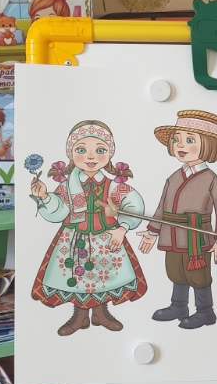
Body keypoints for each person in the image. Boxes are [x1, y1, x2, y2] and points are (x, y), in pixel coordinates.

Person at [31, 119, 146, 335]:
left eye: (100, 150)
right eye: (81, 150)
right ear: (71, 154)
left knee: (105, 276)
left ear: (110, 154)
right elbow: (59, 212)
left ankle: (101, 314)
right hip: (74, 238)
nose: (90, 157)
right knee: (77, 276)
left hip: (107, 237)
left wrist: (122, 228)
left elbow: (134, 206)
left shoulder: (114, 186)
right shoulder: (67, 186)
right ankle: (80, 317)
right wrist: (45, 196)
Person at [139, 110, 217, 330]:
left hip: (197, 237)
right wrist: (152, 231)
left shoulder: (211, 179)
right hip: (171, 236)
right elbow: (162, 207)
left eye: (190, 140)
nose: (181, 145)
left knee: (198, 275)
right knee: (176, 272)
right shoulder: (173, 177)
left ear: (208, 146)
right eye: (177, 139)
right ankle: (178, 306)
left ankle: (205, 311)